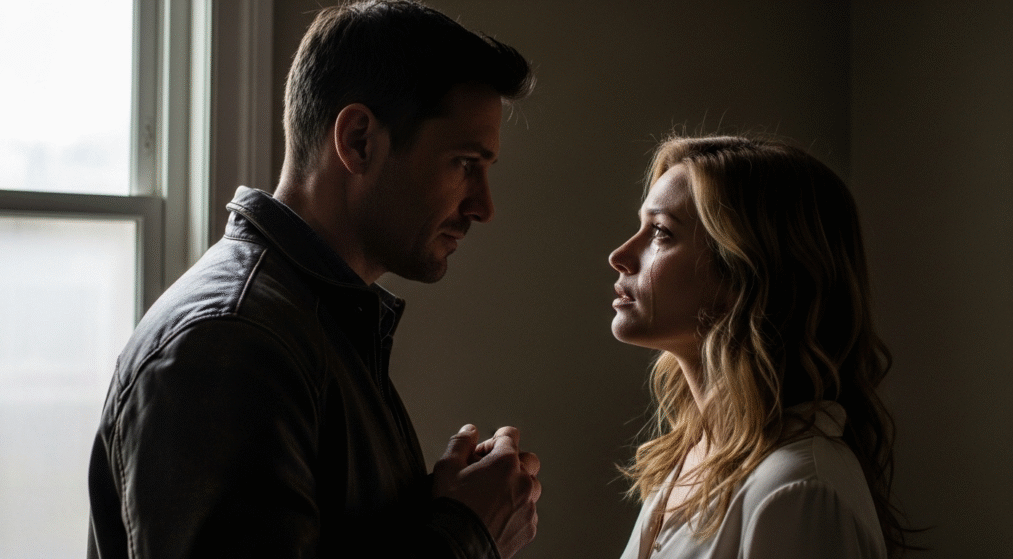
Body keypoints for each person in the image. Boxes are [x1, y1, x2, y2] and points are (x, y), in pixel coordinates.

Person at [87, 2, 540, 558]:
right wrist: (468, 532)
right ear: (358, 140)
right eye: (465, 163)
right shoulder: (230, 342)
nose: (483, 207)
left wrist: (438, 513)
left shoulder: (313, 326)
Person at [608, 136, 911, 558]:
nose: (619, 255)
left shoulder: (799, 491)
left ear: (748, 272)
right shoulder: (688, 462)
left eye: (660, 232)